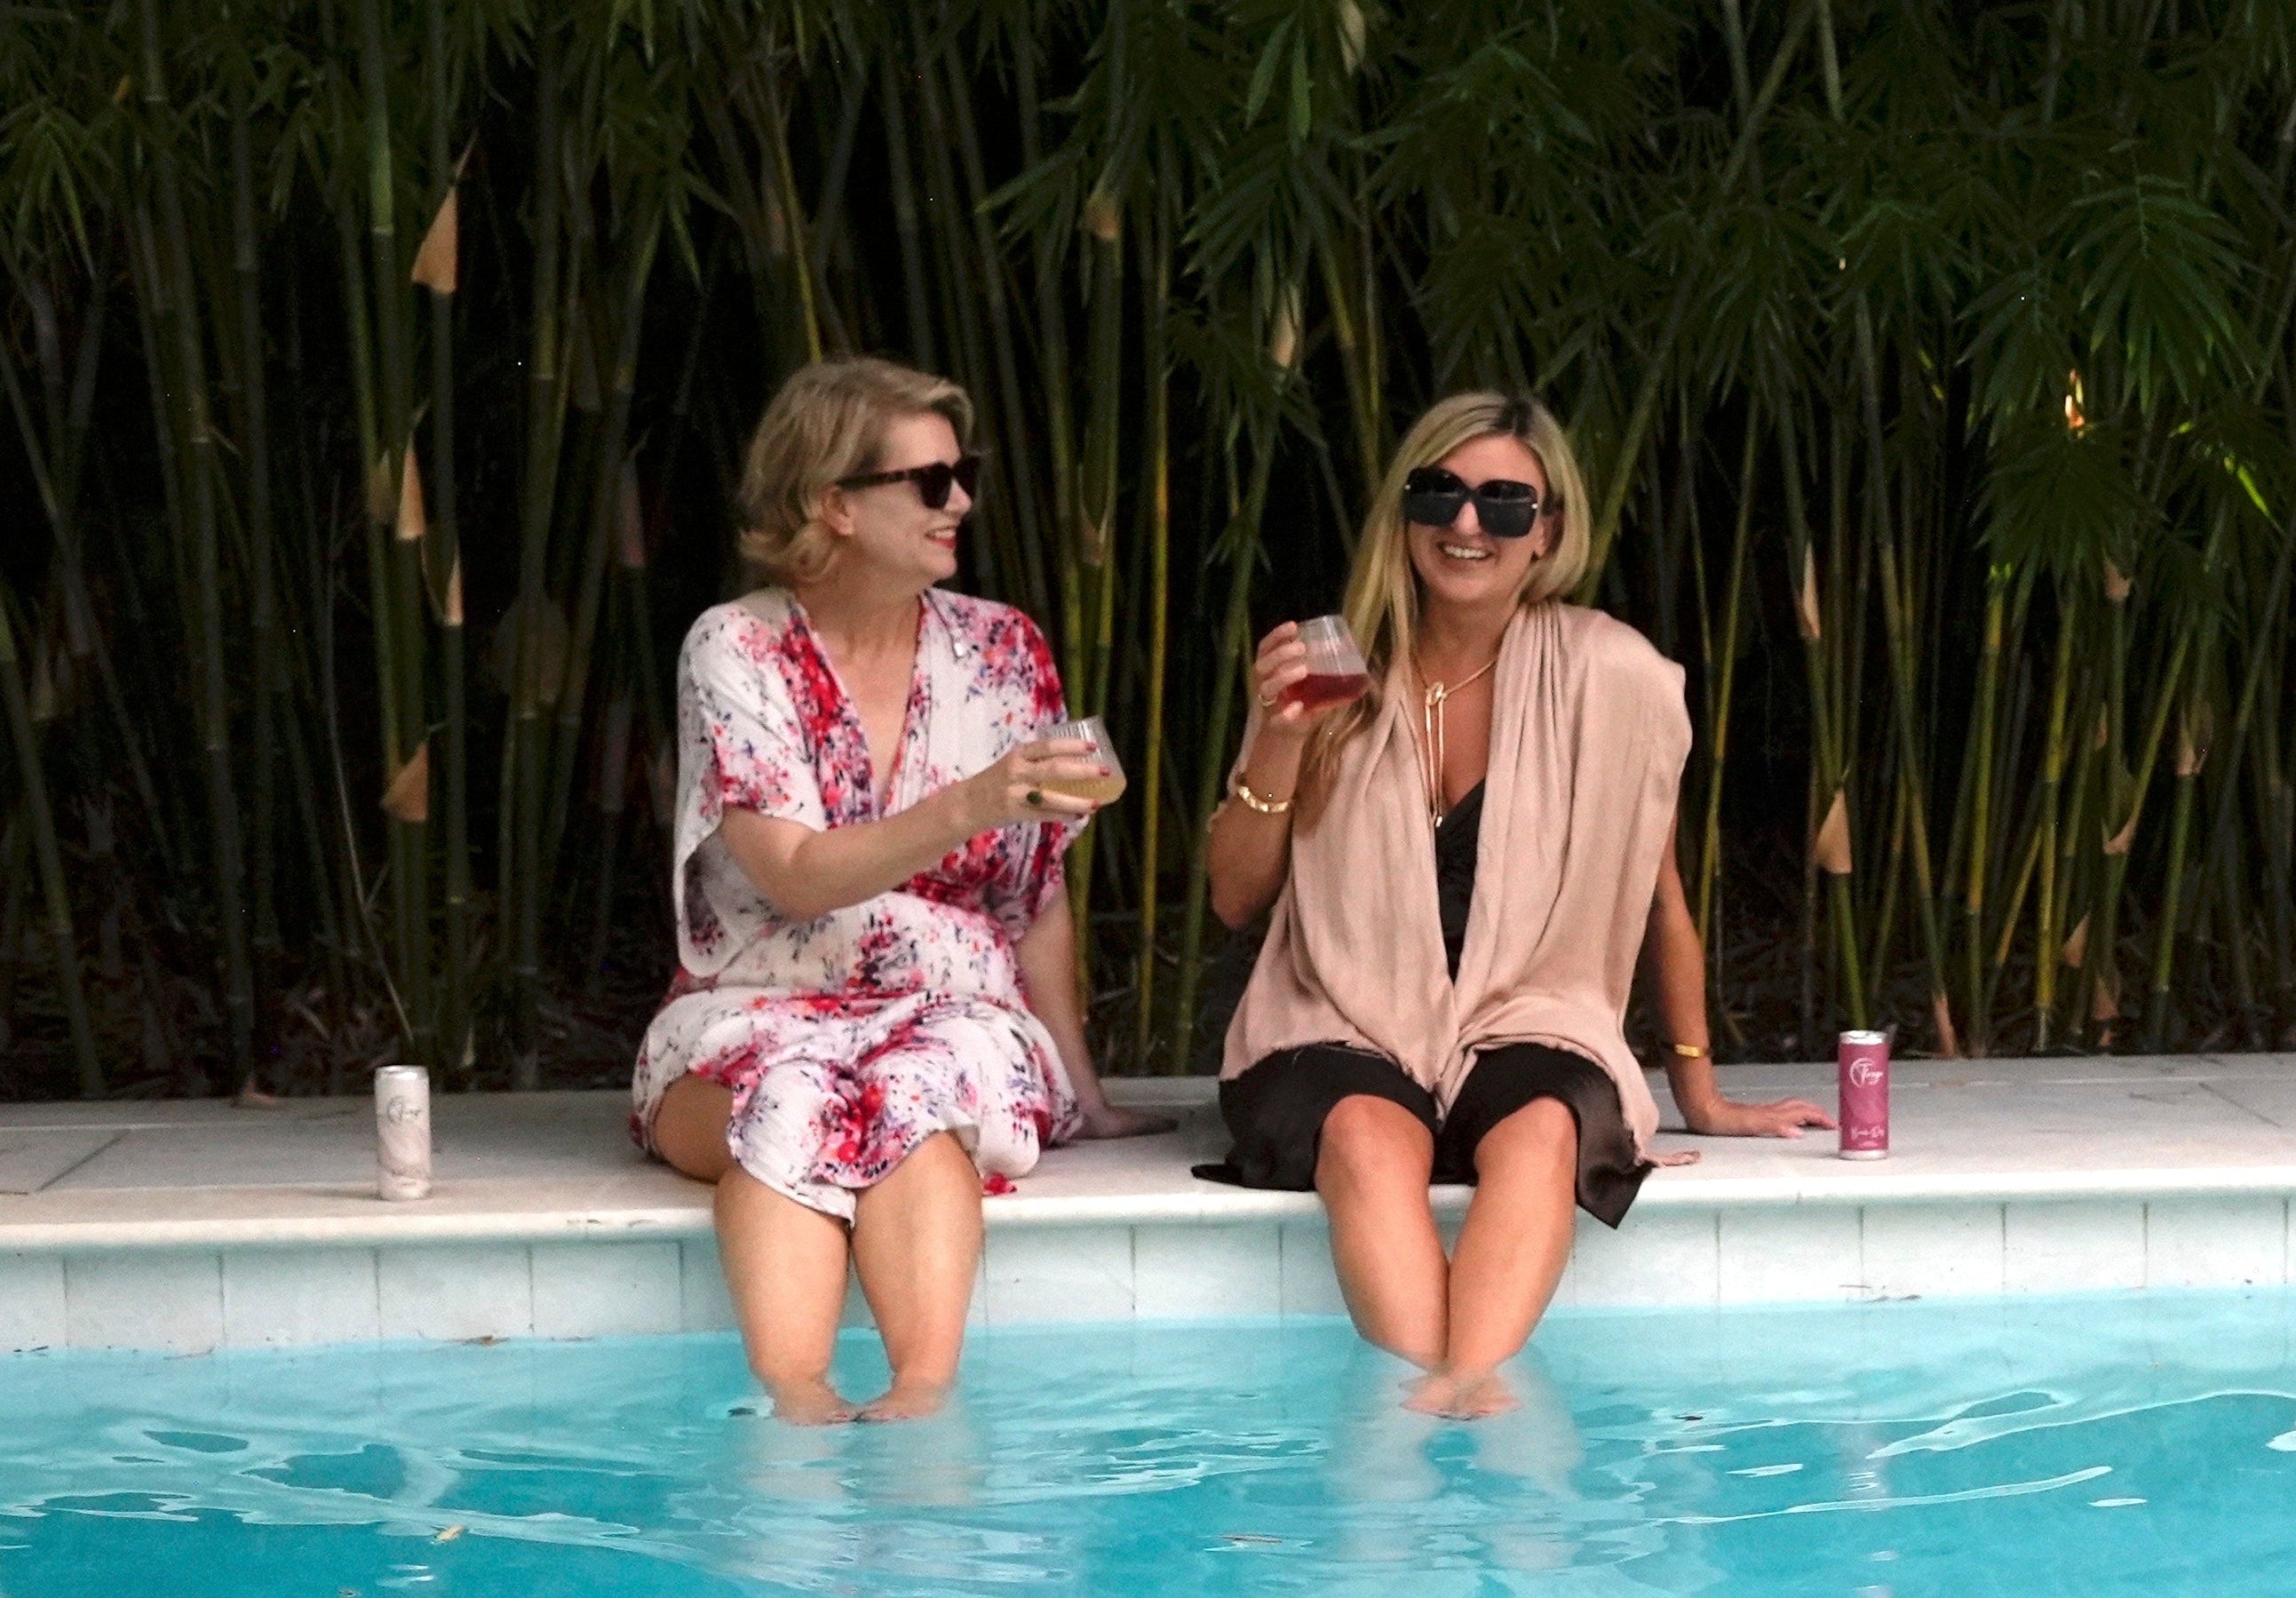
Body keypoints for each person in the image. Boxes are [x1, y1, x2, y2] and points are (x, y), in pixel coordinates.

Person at [1195, 392, 1832, 1418]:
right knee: (1363, 1130)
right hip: (1340, 1022)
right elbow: (1236, 896)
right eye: (1439, 491)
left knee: (1543, 1129)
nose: (1465, 524)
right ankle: (1443, 1416)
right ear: (1404, 511)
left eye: (1503, 502)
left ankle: (1455, 1391)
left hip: (1531, 1016)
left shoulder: (1608, 674)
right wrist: (1276, 736)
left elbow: (1656, 890)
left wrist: (1701, 1093)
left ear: (1550, 533)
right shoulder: (1335, 668)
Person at [634, 357, 1171, 1425]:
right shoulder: (737, 646)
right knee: (787, 1091)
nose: (960, 500)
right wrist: (969, 802)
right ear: (833, 503)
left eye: (960, 473)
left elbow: (1035, 896)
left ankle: (923, 1402)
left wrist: (1083, 1082)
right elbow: (791, 873)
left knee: (918, 1089)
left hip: (956, 1011)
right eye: (929, 481)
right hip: (757, 1006)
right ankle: (796, 1405)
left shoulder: (1003, 647)